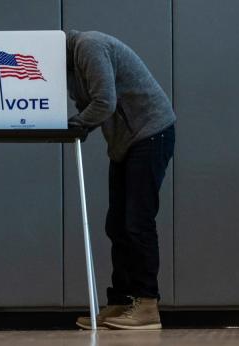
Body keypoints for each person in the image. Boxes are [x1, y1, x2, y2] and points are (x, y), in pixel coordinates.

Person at [66, 30, 176, 330]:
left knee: (137, 221)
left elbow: (104, 102)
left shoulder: (87, 47)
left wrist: (72, 125)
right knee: (116, 223)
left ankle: (146, 305)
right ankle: (121, 303)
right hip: (125, 143)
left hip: (150, 133)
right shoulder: (70, 65)